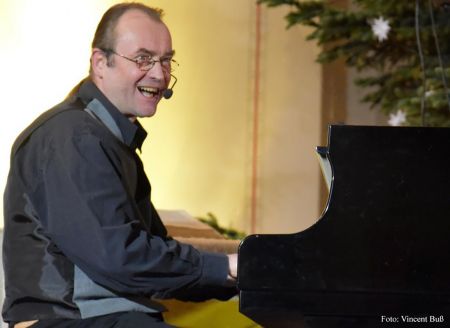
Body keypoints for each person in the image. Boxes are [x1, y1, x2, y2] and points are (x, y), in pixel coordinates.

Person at [2, 3, 238, 328]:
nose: (159, 73)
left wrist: (247, 276)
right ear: (101, 63)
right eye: (143, 58)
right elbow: (121, 259)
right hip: (64, 320)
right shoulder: (73, 136)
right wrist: (226, 267)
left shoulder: (108, 138)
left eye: (166, 59)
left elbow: (156, 256)